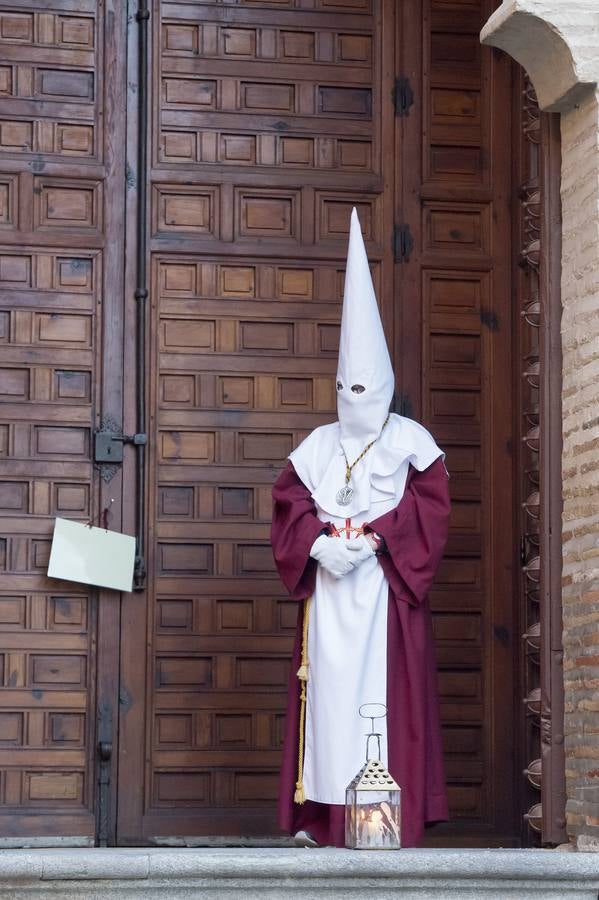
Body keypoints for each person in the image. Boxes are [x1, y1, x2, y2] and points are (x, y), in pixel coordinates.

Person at [270, 208, 451, 848]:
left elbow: (430, 508)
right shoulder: (317, 445)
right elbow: (290, 505)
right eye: (347, 391)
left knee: (379, 707)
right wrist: (320, 545)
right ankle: (322, 820)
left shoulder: (410, 441)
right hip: (330, 594)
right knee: (328, 706)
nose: (356, 400)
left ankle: (378, 824)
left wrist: (374, 541)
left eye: (366, 389)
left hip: (384, 596)